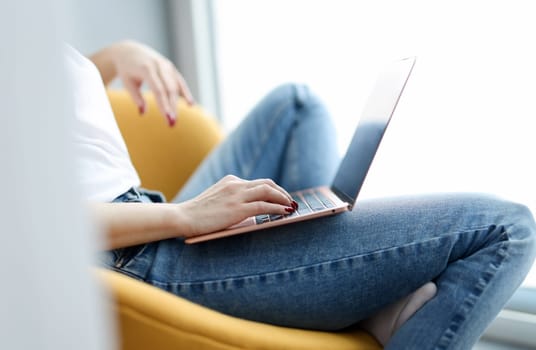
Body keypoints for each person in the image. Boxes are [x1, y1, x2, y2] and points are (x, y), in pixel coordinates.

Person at [67, 40, 536, 349]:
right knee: (507, 229)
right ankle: (350, 299)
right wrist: (185, 216)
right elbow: (29, 222)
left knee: (295, 104)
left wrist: (112, 57)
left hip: (138, 217)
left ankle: (337, 291)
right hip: (126, 251)